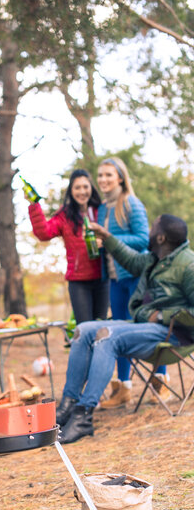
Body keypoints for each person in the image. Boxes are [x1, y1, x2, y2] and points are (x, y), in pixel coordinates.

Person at [56, 214, 194, 444]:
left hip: (173, 334)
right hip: (145, 325)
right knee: (83, 330)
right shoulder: (155, 258)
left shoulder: (188, 264)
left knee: (106, 337)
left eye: (153, 227)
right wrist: (107, 237)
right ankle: (68, 405)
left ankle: (83, 416)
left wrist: (162, 315)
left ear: (160, 237)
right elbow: (130, 261)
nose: (149, 230)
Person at [96, 156, 156, 408]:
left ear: (120, 177)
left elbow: (144, 239)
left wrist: (110, 239)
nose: (103, 180)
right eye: (100, 175)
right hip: (114, 278)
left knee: (148, 326)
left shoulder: (131, 203)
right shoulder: (102, 208)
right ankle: (124, 388)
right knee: (118, 330)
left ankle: (159, 382)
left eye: (109, 175)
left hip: (136, 276)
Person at [27, 169, 109, 324]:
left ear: (91, 188)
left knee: (101, 327)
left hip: (103, 279)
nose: (82, 191)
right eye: (77, 188)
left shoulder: (101, 211)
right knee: (85, 329)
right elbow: (44, 233)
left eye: (85, 187)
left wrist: (104, 242)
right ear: (71, 191)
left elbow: (114, 235)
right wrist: (34, 205)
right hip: (79, 282)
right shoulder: (65, 215)